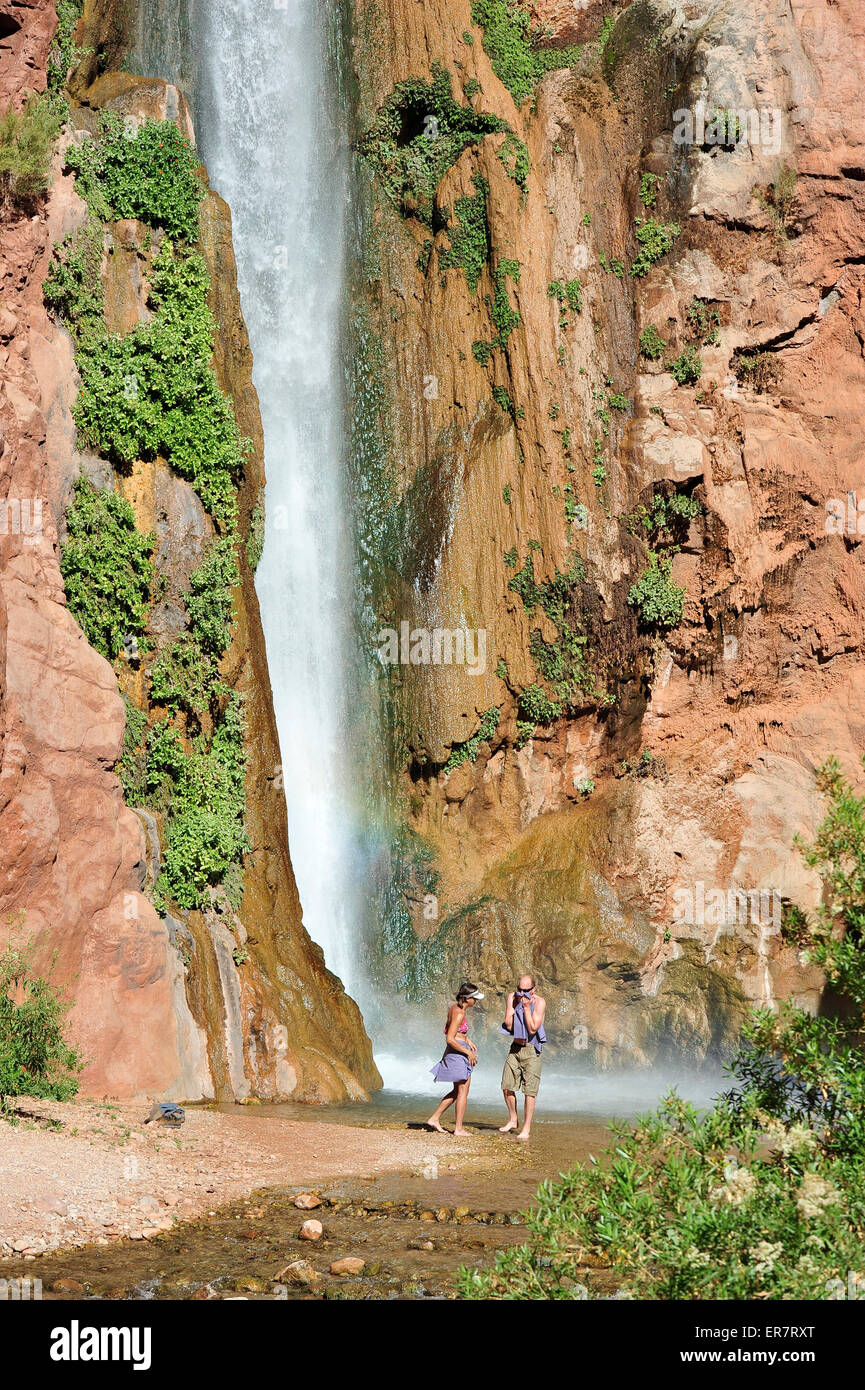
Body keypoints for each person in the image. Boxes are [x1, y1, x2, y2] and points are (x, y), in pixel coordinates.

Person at [427, 982, 484, 1135]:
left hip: (456, 1050)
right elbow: (450, 1038)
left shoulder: (455, 1008)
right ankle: (458, 1128)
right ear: (466, 998)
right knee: (463, 1091)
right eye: (474, 998)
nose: (476, 1001)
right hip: (457, 1053)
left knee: (457, 1091)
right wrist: (468, 1052)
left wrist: (466, 1039)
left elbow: (453, 1031)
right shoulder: (460, 1013)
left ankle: (434, 1118)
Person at [499, 973, 546, 1139]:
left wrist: (526, 1008)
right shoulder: (512, 997)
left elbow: (533, 1028)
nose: (522, 993)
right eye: (519, 989)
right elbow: (508, 1024)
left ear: (533, 990)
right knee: (506, 1085)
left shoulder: (540, 1003)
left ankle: (526, 1128)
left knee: (529, 1092)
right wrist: (517, 1005)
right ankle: (513, 1119)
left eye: (526, 990)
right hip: (515, 1047)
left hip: (532, 1050)